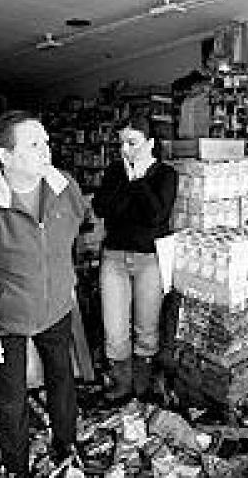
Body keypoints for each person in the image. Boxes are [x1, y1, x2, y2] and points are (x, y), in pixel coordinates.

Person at [0, 110, 85, 476]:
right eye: (34, 144)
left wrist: (66, 280)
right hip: (6, 318)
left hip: (55, 308)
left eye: (46, 142)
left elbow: (75, 228)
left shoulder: (62, 186)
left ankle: (66, 446)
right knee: (12, 399)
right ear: (5, 156)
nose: (46, 151)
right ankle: (17, 466)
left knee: (62, 382)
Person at [92, 119, 177, 402]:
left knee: (147, 327)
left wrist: (139, 183)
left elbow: (156, 215)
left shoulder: (166, 174)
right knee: (114, 328)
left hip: (149, 260)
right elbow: (103, 208)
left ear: (150, 143)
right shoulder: (115, 171)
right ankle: (121, 382)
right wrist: (128, 186)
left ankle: (143, 383)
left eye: (132, 143)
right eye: (122, 143)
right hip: (114, 258)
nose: (125, 149)